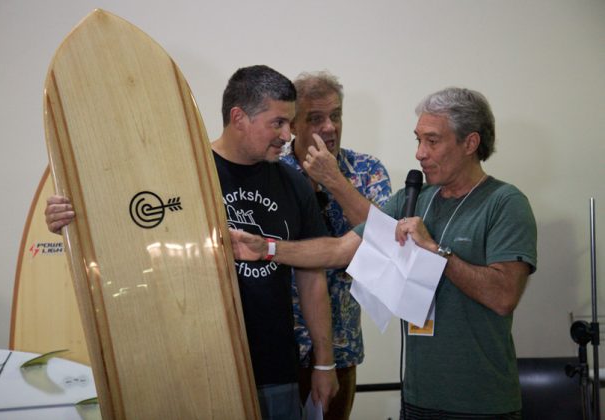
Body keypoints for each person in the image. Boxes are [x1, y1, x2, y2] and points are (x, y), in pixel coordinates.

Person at [45, 65, 338, 420]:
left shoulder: (294, 184)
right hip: (197, 370)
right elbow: (123, 230)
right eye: (278, 123)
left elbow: (312, 277)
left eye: (290, 123)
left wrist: (324, 364)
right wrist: (69, 218)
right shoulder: (180, 174)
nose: (288, 135)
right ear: (239, 117)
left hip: (275, 368)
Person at [231, 87, 537, 418]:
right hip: (419, 397)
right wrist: (268, 248)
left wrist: (437, 252)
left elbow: (504, 296)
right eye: (418, 140)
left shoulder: (505, 203)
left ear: (470, 143)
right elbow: (339, 249)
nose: (420, 153)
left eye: (432, 141)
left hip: (481, 403)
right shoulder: (417, 197)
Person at [280, 70, 391, 419]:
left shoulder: (366, 170)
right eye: (316, 118)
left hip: (341, 347)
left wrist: (334, 181)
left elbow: (386, 239)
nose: (329, 127)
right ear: (294, 124)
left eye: (336, 116)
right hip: (277, 348)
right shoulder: (270, 171)